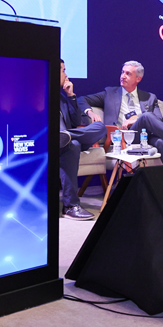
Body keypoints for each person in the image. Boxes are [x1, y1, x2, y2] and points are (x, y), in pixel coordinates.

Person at [78, 61, 163, 165]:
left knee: (161, 141)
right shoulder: (110, 93)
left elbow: (159, 121)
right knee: (146, 116)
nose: (123, 76)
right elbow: (81, 99)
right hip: (121, 136)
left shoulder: (149, 97)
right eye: (122, 72)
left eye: (128, 73)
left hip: (145, 136)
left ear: (138, 78)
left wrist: (136, 119)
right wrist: (90, 113)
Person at [58, 60, 107, 220]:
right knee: (73, 145)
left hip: (67, 138)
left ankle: (65, 136)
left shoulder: (62, 98)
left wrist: (71, 96)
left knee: (100, 127)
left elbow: (75, 121)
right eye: (63, 70)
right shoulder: (40, 94)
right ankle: (71, 206)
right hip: (51, 144)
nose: (66, 75)